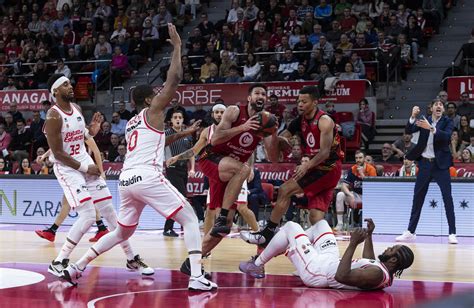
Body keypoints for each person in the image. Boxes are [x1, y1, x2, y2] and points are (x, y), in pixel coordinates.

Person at [61, 24, 217, 291]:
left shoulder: (134, 122)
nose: (160, 97)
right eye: (155, 96)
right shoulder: (154, 109)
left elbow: (158, 141)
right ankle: (196, 276)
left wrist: (186, 133)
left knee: (122, 232)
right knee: (190, 219)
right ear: (148, 100)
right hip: (147, 176)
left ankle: (76, 267)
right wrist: (178, 47)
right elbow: (174, 79)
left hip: (126, 180)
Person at [43, 73, 153, 280]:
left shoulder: (76, 108)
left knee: (110, 213)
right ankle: (59, 261)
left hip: (84, 164)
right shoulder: (53, 116)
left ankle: (131, 258)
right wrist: (86, 167)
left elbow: (82, 134)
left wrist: (91, 130)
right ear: (56, 91)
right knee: (86, 214)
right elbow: (57, 154)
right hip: (68, 169)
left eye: (69, 83)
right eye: (65, 84)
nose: (70, 86)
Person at [187, 83, 280, 263]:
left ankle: (192, 263)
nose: (260, 96)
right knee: (242, 170)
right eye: (257, 93)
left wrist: (275, 136)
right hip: (210, 158)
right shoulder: (234, 111)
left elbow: (273, 158)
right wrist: (242, 127)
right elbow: (215, 139)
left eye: (263, 94)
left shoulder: (265, 123)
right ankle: (223, 217)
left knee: (223, 229)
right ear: (249, 98)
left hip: (230, 170)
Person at [241, 85, 344, 246]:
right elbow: (282, 138)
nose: (300, 104)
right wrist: (274, 136)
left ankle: (268, 233)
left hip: (328, 168)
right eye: (298, 101)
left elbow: (324, 152)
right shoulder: (299, 121)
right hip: (318, 169)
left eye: (304, 101)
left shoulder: (324, 121)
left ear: (315, 102)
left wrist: (306, 165)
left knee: (284, 190)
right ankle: (323, 253)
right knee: (315, 218)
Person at [240, 218, 414, 290]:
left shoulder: (376, 275)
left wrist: (353, 244)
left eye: (391, 250)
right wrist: (368, 235)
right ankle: (282, 241)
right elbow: (368, 260)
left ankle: (257, 264)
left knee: (291, 226)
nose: (387, 249)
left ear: (393, 260)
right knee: (322, 224)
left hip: (317, 272)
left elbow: (341, 276)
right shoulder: (380, 270)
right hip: (328, 262)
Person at [396, 101, 458, 244]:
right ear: (431, 109)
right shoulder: (424, 119)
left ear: (442, 109)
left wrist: (431, 128)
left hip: (440, 165)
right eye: (436, 104)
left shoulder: (447, 121)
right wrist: (412, 116)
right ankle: (411, 232)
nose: (438, 106)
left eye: (441, 105)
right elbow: (409, 130)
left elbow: (446, 136)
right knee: (418, 198)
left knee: (447, 198)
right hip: (424, 163)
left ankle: (452, 232)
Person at [162, 110, 198, 237]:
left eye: (180, 117)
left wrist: (192, 168)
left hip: (183, 169)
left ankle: (169, 227)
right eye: (175, 117)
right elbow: (160, 150)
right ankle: (181, 225)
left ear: (183, 120)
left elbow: (192, 152)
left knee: (178, 199)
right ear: (171, 120)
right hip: (171, 168)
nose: (178, 119)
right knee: (180, 197)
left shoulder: (187, 135)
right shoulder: (166, 134)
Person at [334, 150, 376, 231]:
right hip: (356, 195)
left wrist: (362, 174)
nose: (358, 160)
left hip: (369, 197)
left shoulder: (371, 169)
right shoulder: (352, 169)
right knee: (340, 195)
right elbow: (343, 186)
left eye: (360, 158)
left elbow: (372, 186)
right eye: (356, 158)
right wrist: (350, 195)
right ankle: (340, 224)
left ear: (364, 158)